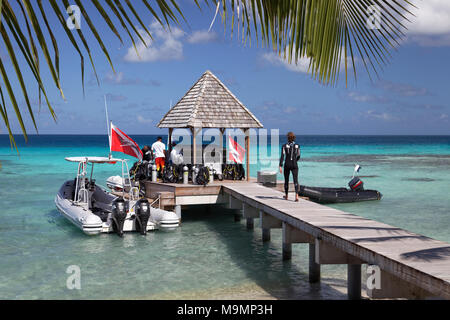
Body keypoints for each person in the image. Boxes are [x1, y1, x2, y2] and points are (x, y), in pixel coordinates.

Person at [279, 132, 300, 201]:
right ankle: (296, 196)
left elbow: (282, 156)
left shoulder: (284, 146)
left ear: (287, 138)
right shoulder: (297, 145)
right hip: (294, 164)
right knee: (295, 180)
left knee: (286, 180)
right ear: (294, 138)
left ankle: (287, 196)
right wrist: (295, 161)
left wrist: (280, 165)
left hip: (287, 164)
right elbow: (298, 155)